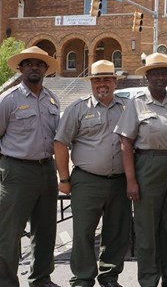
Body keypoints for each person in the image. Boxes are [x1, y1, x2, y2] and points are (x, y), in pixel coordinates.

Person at [114, 53, 167, 287]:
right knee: (146, 229)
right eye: (154, 72)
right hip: (148, 166)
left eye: (163, 72)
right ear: (147, 76)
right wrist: (131, 181)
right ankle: (148, 279)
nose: (159, 77)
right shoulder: (136, 102)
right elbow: (125, 143)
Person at [53, 60, 129, 287]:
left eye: (106, 79)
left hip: (120, 181)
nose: (102, 84)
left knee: (117, 231)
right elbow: (60, 143)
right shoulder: (78, 108)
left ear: (115, 82)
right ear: (91, 83)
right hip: (87, 180)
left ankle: (109, 276)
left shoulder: (128, 107)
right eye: (97, 80)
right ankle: (83, 278)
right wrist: (64, 179)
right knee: (84, 231)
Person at [0, 46, 61, 287]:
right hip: (16, 171)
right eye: (29, 63)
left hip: (47, 169)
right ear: (20, 69)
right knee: (9, 232)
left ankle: (41, 278)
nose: (34, 67)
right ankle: (6, 281)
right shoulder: (7, 100)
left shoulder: (52, 99)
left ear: (46, 69)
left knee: (45, 229)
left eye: (39, 64)